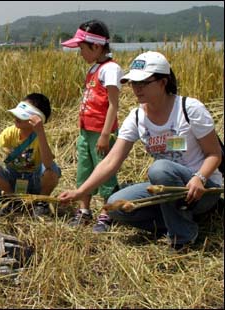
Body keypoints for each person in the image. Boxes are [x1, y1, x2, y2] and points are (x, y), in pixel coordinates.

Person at [59, 51, 223, 250]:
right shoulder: (137, 117)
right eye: (133, 83)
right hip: (165, 189)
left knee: (159, 169)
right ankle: (181, 221)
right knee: (115, 207)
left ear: (163, 82)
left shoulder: (189, 109)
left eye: (143, 83)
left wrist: (200, 177)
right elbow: (112, 161)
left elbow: (215, 154)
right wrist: (80, 191)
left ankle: (183, 237)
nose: (136, 88)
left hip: (201, 189)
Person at [60, 20, 123, 232]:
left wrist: (106, 135)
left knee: (105, 173)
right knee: (84, 170)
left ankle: (107, 213)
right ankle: (84, 210)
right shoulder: (94, 68)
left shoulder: (111, 69)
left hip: (100, 132)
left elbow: (114, 105)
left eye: (82, 48)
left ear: (96, 46)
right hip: (86, 131)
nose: (80, 53)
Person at [0, 93, 61, 216]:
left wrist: (40, 132)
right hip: (12, 178)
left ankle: (41, 201)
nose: (15, 117)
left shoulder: (42, 137)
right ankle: (13, 200)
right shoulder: (9, 133)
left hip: (34, 179)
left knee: (53, 170)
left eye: (22, 115)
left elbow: (48, 163)